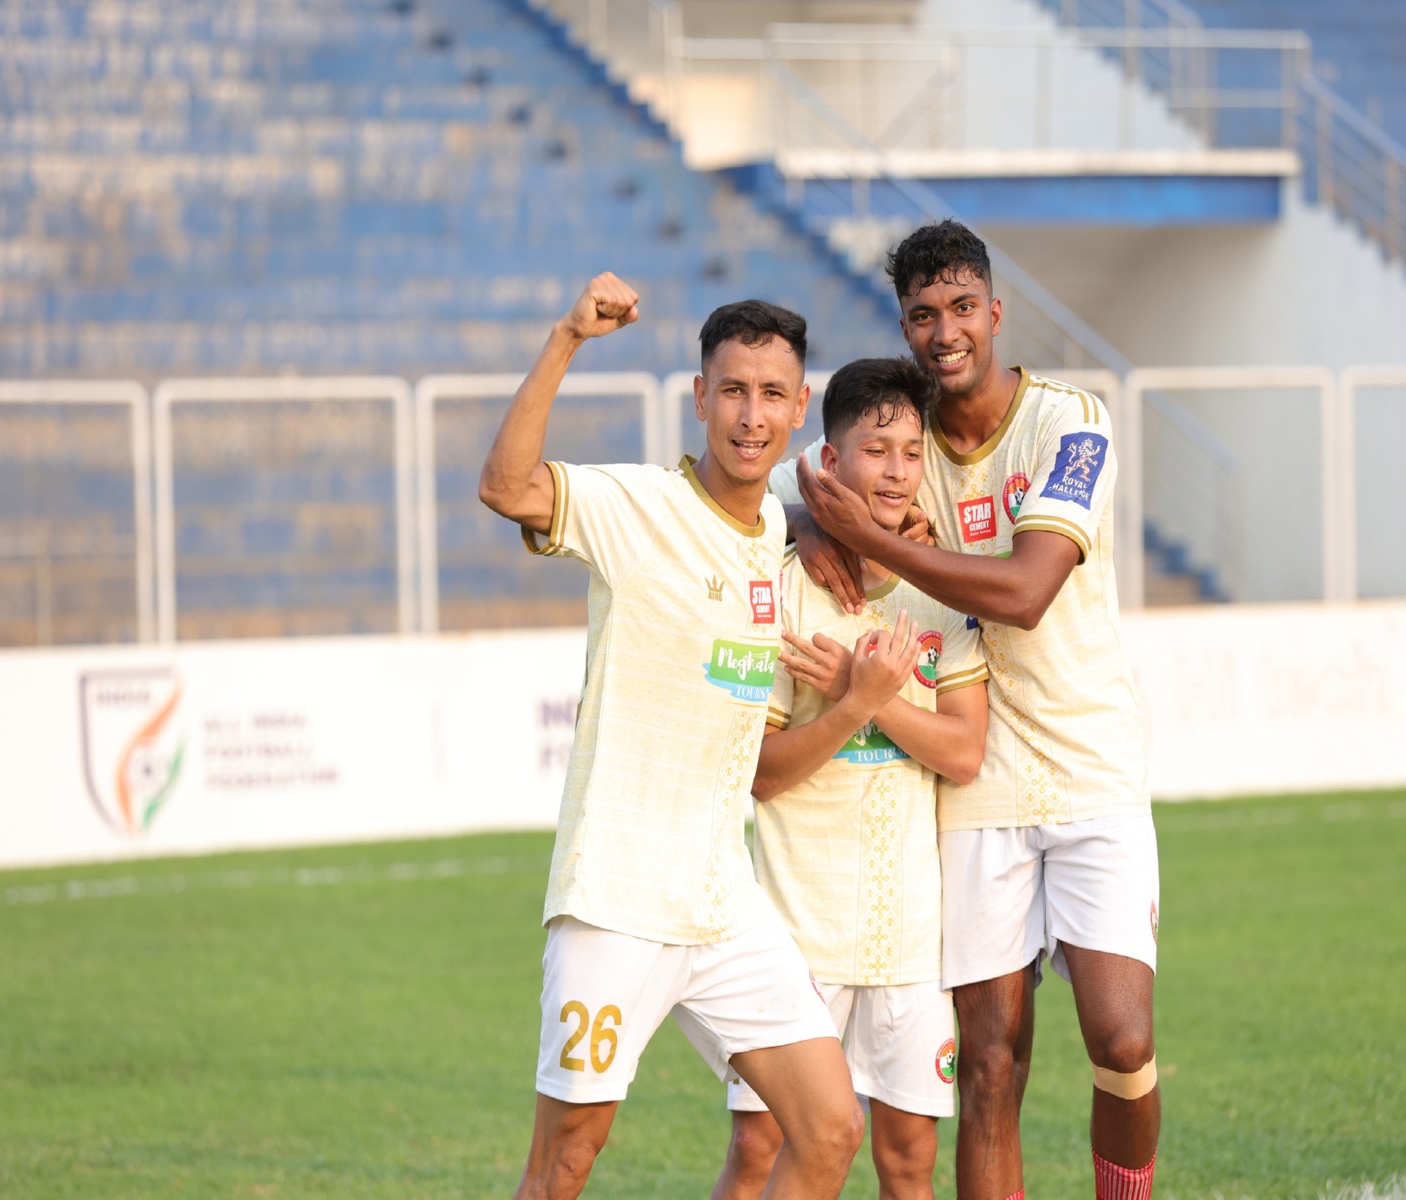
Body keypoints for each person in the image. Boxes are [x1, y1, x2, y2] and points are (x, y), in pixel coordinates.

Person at [775, 221, 1160, 1200]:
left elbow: (1026, 590)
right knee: (989, 1065)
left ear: (994, 313)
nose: (942, 330)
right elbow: (760, 486)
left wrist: (869, 537)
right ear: (904, 328)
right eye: (920, 315)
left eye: (958, 309)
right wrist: (810, 515)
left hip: (1087, 765)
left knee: (1121, 1038)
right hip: (971, 785)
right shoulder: (894, 437)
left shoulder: (1070, 423)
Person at [479, 273, 864, 1200]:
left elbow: (777, 525)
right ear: (699, 397)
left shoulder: (775, 522)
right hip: (616, 897)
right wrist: (569, 335)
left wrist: (841, 528)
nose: (750, 413)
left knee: (829, 1128)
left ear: (799, 408)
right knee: (564, 1162)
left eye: (772, 394)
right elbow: (506, 486)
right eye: (732, 389)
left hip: (723, 899)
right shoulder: (636, 507)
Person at [711, 357, 990, 1200]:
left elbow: (964, 753)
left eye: (913, 450)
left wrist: (865, 697)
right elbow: (760, 776)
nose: (899, 469)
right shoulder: (784, 593)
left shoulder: (945, 590)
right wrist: (849, 707)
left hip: (907, 940)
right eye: (877, 448)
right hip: (794, 939)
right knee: (761, 1150)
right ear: (829, 464)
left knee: (908, 1166)